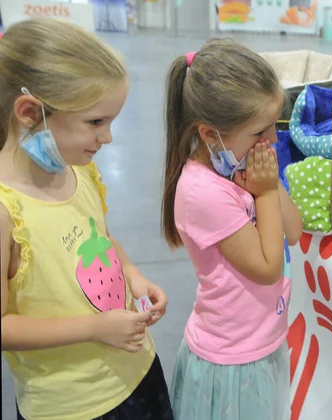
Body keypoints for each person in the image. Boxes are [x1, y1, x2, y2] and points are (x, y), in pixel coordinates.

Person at [0, 18, 173, 420]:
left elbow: (101, 237)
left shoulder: (78, 170)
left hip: (137, 371)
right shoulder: (7, 212)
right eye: (96, 122)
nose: (108, 137)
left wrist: (133, 275)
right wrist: (95, 329)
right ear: (29, 112)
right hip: (72, 407)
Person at [161, 39, 303, 420]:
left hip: (261, 343)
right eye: (260, 132)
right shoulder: (202, 192)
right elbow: (268, 265)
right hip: (231, 361)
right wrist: (267, 191)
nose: (272, 140)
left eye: (274, 125)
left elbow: (292, 231)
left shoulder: (237, 167)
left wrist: (268, 188)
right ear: (210, 135)